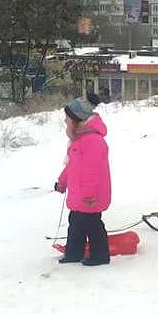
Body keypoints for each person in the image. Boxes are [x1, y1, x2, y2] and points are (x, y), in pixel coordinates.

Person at [55, 97, 112, 267]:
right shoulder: (79, 141)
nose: (65, 122)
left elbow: (92, 172)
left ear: (77, 120)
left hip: (90, 196)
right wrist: (62, 182)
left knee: (93, 226)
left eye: (68, 119)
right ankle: (74, 253)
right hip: (80, 196)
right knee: (75, 223)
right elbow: (72, 166)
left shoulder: (93, 141)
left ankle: (100, 255)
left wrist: (89, 194)